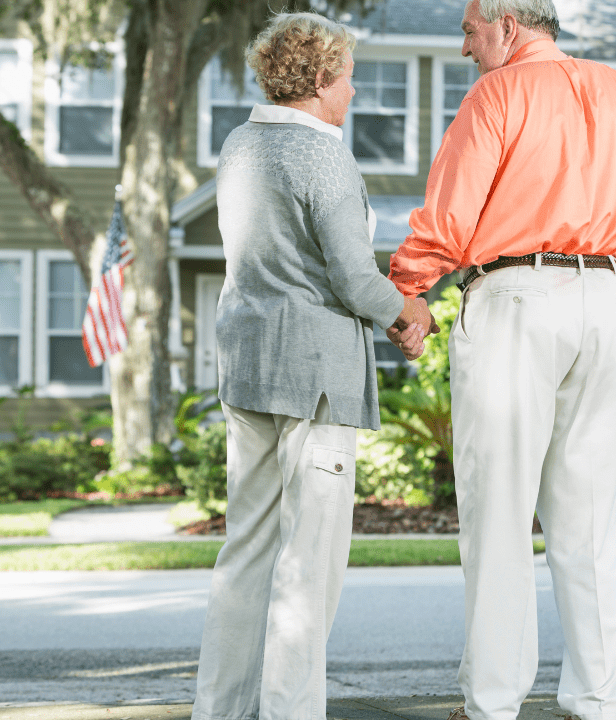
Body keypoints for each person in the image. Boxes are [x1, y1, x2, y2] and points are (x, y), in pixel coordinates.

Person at [386, 1, 616, 719]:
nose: (464, 48)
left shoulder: (496, 94)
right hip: (602, 304)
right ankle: (597, 698)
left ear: (508, 26)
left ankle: (493, 702)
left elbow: (449, 221)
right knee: (585, 514)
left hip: (516, 300)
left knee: (500, 510)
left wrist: (405, 291)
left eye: (470, 30)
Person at [191, 12, 435, 720]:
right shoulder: (323, 154)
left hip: (246, 364)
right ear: (322, 78)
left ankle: (222, 710)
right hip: (315, 377)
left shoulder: (240, 145)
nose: (354, 91)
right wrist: (410, 315)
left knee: (247, 549)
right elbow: (354, 277)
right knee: (311, 561)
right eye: (349, 76)